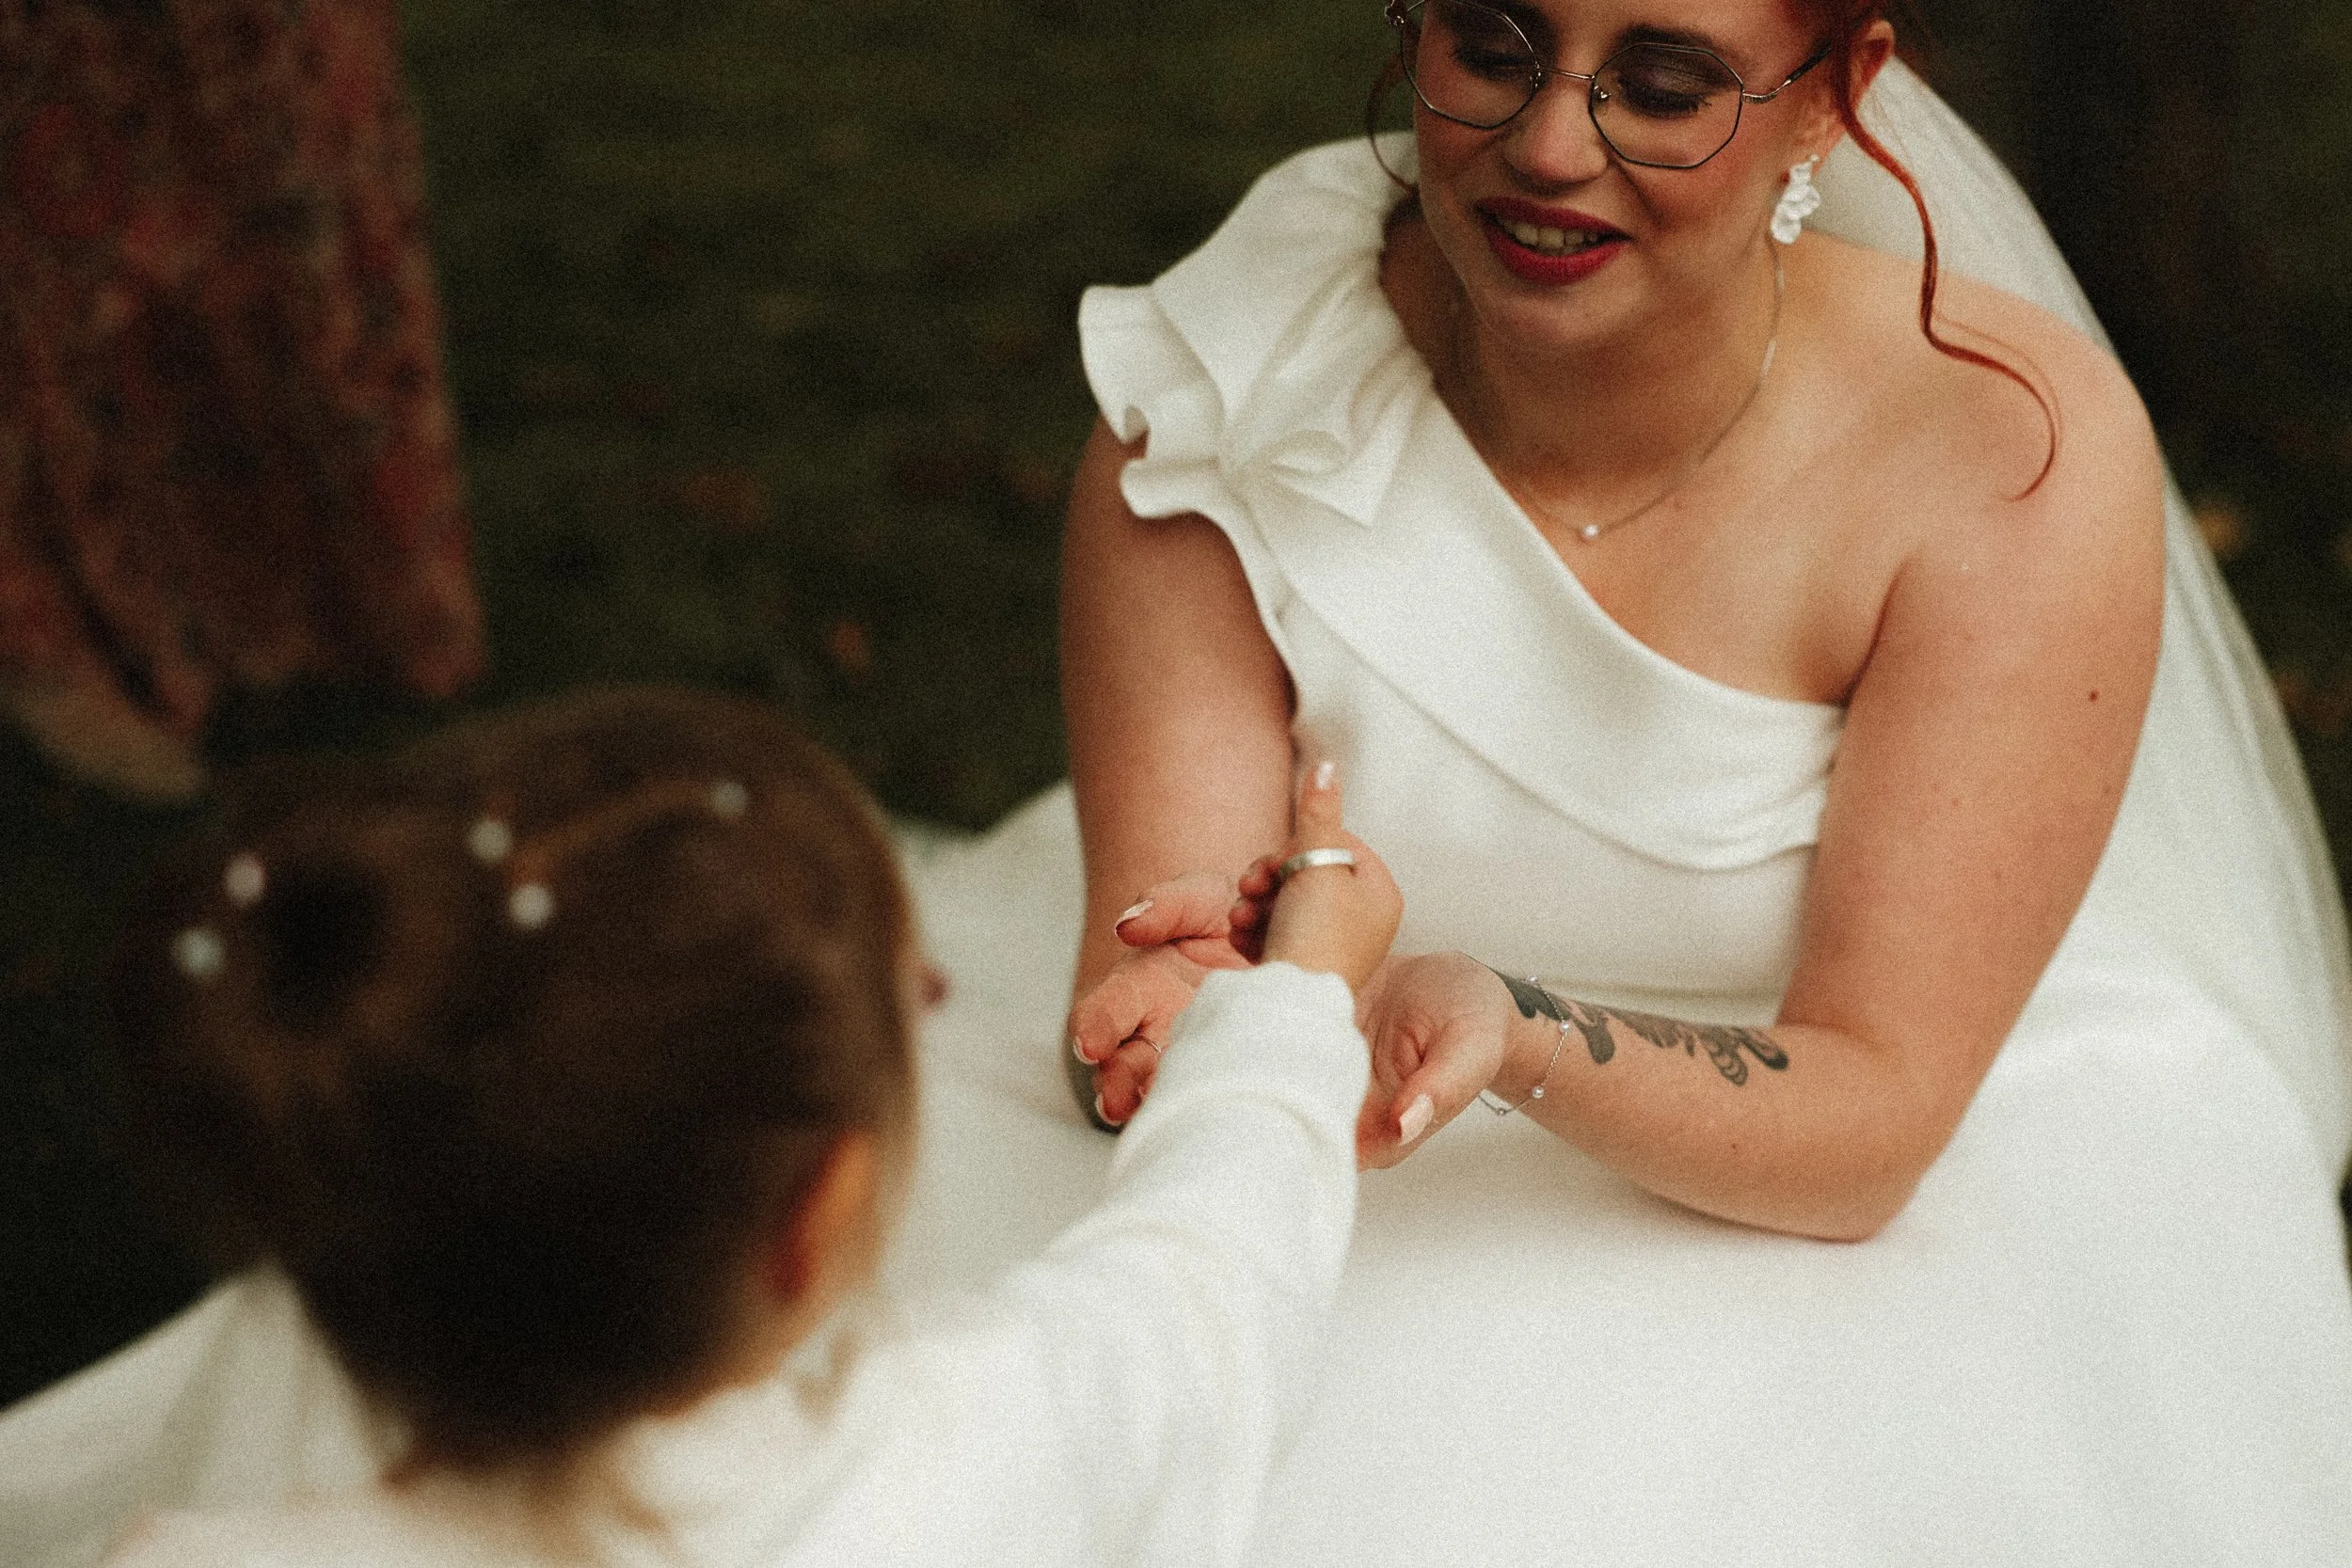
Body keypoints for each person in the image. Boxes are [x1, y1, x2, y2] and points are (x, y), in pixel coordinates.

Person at [8, 6, 2352, 1566]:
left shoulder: (2005, 461)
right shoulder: (1235, 377)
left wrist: (1519, 1030)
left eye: (1662, 80)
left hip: (1833, 1177)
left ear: (1836, 94)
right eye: (1491, 41)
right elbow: (1173, 961)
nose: (1547, 143)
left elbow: (1869, 1110)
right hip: (1296, 1083)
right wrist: (1211, 1010)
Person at [83, 686, 1402, 1567]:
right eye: (921, 996)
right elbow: (1206, 1293)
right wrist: (1297, 994)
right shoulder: (960, 1461)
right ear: (817, 1209)